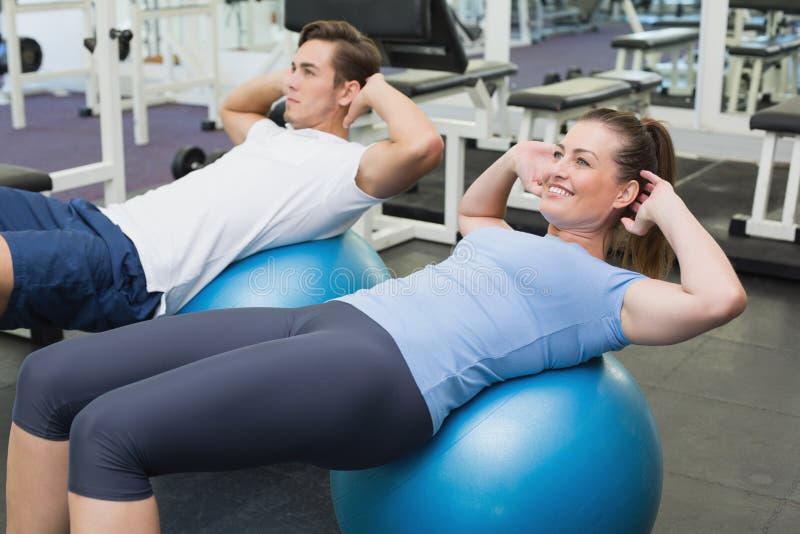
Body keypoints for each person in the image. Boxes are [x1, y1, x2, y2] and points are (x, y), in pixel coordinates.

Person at [5, 109, 746, 533]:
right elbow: (473, 212)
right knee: (50, 375)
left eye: (580, 162)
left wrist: (667, 205)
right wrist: (518, 158)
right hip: (327, 322)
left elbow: (719, 300)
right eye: (558, 146)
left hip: (382, 379)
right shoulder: (510, 239)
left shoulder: (603, 289)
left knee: (110, 434)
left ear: (626, 194)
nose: (556, 166)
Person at [0, 20, 443, 332]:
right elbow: (234, 105)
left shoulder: (344, 169)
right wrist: (297, 75)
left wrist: (375, 85)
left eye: (308, 72)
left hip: (132, 271)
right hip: (98, 220)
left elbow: (424, 146)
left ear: (350, 91)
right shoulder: (272, 136)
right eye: (293, 68)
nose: (291, 81)